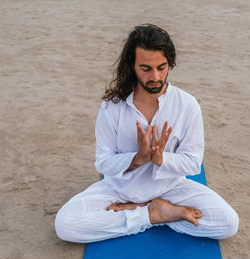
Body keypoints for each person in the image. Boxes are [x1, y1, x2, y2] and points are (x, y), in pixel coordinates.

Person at [55, 24, 239, 243]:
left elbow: (192, 163)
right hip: (120, 190)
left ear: (169, 63)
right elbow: (103, 163)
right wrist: (137, 159)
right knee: (66, 225)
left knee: (228, 223)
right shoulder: (112, 107)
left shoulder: (187, 105)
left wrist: (161, 159)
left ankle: (142, 211)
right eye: (146, 68)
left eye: (161, 67)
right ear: (132, 66)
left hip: (171, 188)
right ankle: (152, 213)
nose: (155, 76)